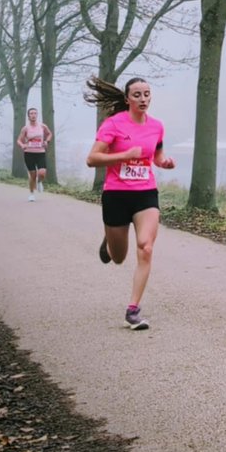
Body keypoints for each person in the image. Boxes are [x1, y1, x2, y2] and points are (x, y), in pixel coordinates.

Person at [84, 76, 174, 331]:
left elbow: (156, 155)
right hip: (116, 194)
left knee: (145, 247)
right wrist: (124, 154)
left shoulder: (157, 126)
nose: (143, 99)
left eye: (147, 94)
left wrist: (164, 162)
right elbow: (92, 159)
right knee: (119, 258)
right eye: (137, 95)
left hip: (145, 193)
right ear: (127, 99)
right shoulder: (113, 124)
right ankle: (110, 244)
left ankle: (133, 310)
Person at [17, 108, 52, 202]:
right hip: (29, 153)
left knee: (42, 173)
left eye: (35, 113)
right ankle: (31, 194)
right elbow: (19, 140)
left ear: (37, 115)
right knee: (32, 175)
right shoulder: (25, 128)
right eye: (31, 113)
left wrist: (46, 141)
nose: (33, 115)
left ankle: (39, 181)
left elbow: (49, 134)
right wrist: (22, 145)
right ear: (28, 116)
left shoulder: (42, 126)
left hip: (40, 152)